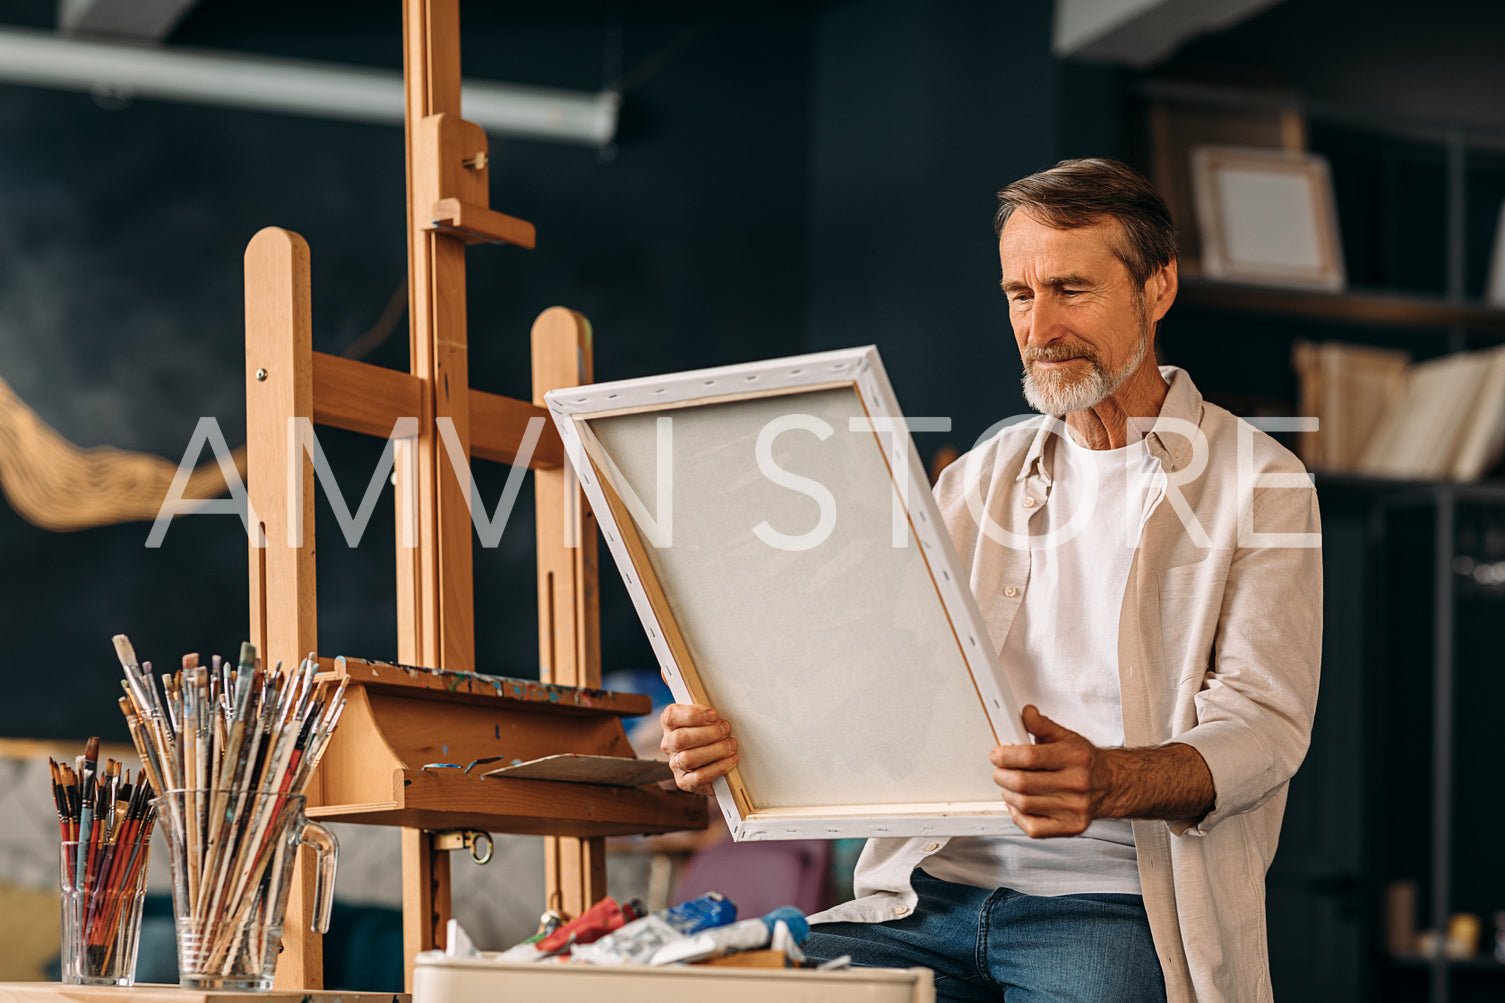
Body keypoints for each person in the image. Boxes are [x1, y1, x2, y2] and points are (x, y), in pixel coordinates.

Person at [660, 158, 1321, 1002]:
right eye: (1018, 293)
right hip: (921, 891)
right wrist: (742, 737)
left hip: (1112, 904)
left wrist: (1112, 779)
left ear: (1157, 288)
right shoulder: (974, 478)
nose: (1037, 326)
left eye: (1070, 290)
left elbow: (1265, 728)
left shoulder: (1259, 481)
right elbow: (890, 689)